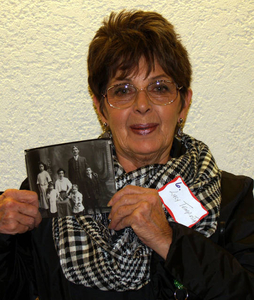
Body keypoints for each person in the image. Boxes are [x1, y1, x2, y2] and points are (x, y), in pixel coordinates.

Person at [0, 10, 253, 300]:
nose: (142, 105)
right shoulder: (46, 198)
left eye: (159, 88)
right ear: (101, 107)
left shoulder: (232, 197)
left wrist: (168, 239)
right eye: (123, 90)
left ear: (183, 104)